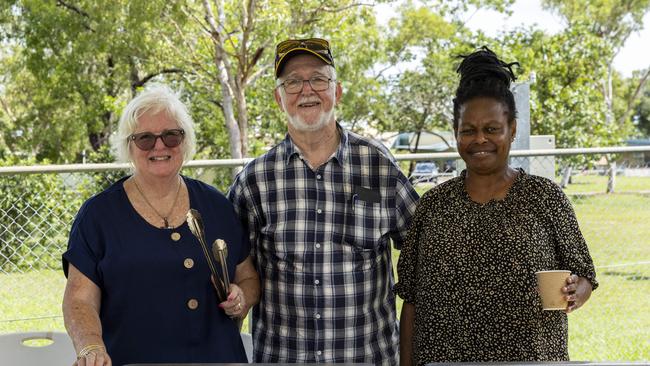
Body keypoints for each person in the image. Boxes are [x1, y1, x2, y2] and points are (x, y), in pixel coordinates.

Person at [395, 47, 598, 365]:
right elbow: (411, 300)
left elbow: (583, 274)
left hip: (531, 360)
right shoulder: (433, 206)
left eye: (491, 129)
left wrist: (578, 290)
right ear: (456, 133)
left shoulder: (545, 198)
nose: (479, 140)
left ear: (512, 129)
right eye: (468, 130)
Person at [227, 38, 419, 365]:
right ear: (278, 98)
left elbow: (424, 249)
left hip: (367, 358)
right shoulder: (255, 181)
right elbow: (232, 274)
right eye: (293, 82)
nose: (307, 90)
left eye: (318, 79)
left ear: (337, 91)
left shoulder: (378, 168)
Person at [62, 84, 260, 366]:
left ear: (185, 140)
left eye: (171, 136)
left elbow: (249, 278)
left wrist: (241, 297)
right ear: (129, 146)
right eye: (145, 138)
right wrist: (90, 345)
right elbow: (79, 299)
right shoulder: (98, 216)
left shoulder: (217, 206)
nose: (159, 146)